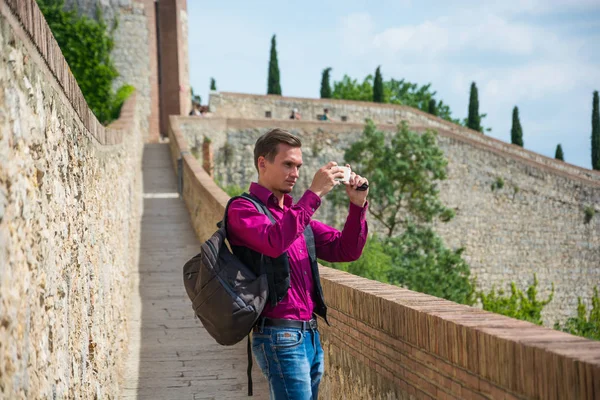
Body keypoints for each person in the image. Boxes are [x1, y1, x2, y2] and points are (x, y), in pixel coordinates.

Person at [227, 128, 369, 400]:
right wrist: (314, 193)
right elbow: (274, 240)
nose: (295, 173)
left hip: (311, 337)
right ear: (262, 163)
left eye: (298, 166)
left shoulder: (296, 218)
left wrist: (357, 205)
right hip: (279, 336)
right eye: (288, 164)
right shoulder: (243, 210)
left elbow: (346, 249)